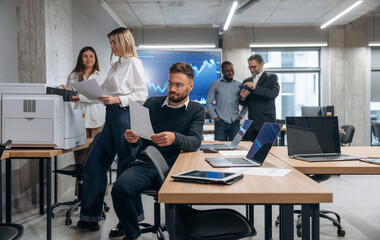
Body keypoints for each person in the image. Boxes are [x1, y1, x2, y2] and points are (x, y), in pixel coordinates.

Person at [110, 62, 205, 240]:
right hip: (148, 164)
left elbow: (195, 141)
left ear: (190, 86)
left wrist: (175, 138)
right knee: (119, 189)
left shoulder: (197, 110)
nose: (172, 89)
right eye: (170, 83)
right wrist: (133, 140)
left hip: (176, 167)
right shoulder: (152, 103)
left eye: (178, 85)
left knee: (178, 202)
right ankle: (132, 232)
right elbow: (138, 143)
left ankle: (180, 232)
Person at [77, 27, 148, 231]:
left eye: (114, 42)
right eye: (110, 42)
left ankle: (129, 221)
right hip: (110, 116)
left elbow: (142, 94)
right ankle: (91, 216)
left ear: (124, 42)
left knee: (126, 167)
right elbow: (104, 92)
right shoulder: (117, 65)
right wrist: (83, 93)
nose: (111, 46)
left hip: (124, 115)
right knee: (93, 164)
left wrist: (117, 99)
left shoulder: (134, 63)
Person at [61, 46, 106, 195]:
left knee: (97, 159)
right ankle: (81, 194)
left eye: (91, 56)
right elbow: (68, 97)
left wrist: (77, 96)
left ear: (95, 59)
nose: (88, 59)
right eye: (85, 56)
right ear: (81, 58)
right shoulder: (73, 76)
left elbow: (98, 97)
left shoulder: (101, 76)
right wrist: (68, 94)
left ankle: (97, 194)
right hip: (78, 121)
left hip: (97, 120)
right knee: (80, 160)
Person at [239, 54, 280, 141]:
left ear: (261, 64)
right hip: (252, 125)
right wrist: (242, 98)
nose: (251, 69)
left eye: (254, 67)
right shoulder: (246, 81)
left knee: (268, 152)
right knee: (250, 152)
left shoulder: (272, 78)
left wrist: (255, 88)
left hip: (267, 123)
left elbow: (272, 94)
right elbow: (245, 103)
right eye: (250, 67)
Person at [206, 61, 247, 141]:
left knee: (235, 148)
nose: (230, 73)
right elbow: (209, 102)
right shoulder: (215, 84)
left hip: (235, 121)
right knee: (219, 148)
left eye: (232, 70)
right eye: (227, 71)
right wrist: (215, 117)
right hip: (220, 122)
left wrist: (241, 115)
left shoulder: (239, 85)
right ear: (222, 71)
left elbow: (245, 102)